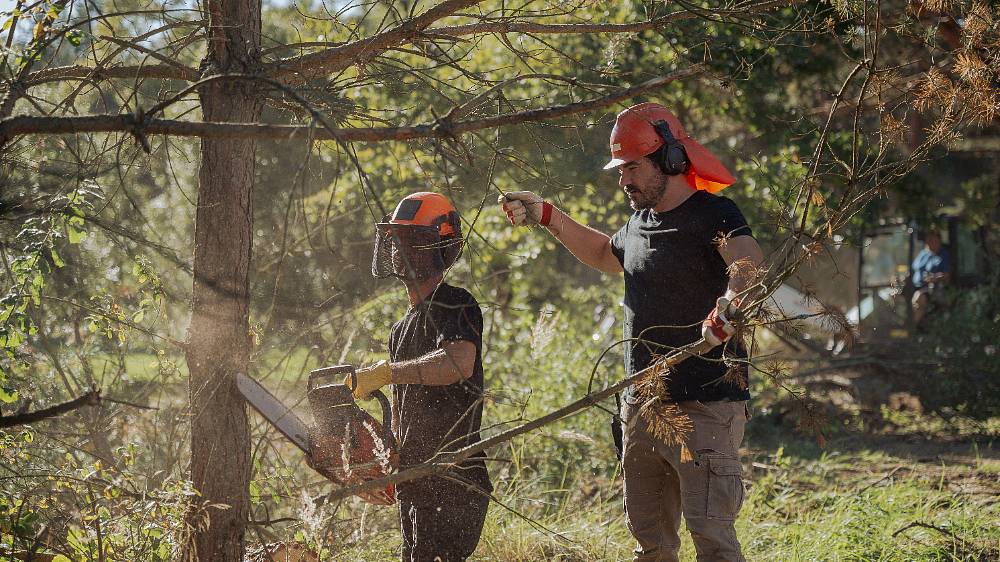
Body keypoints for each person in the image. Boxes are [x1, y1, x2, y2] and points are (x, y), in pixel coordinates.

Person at [499, 103, 764, 562]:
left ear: (671, 159)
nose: (623, 181)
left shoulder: (714, 213)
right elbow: (605, 253)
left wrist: (731, 302)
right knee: (651, 545)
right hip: (642, 405)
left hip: (705, 404)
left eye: (632, 167)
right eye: (621, 170)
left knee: (713, 541)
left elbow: (748, 262)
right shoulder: (639, 222)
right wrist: (548, 215)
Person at [347, 192, 492, 562]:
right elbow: (402, 412)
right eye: (397, 240)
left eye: (414, 241)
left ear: (442, 246)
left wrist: (386, 373)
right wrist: (384, 462)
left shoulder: (455, 302)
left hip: (453, 479)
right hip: (418, 480)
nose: (401, 250)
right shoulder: (399, 330)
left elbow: (458, 363)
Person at [910, 229, 950, 327]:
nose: (929, 242)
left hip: (930, 289)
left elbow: (947, 275)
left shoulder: (943, 255)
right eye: (928, 239)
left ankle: (911, 329)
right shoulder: (924, 253)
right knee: (892, 294)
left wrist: (934, 277)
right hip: (912, 286)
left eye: (932, 240)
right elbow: (914, 269)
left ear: (938, 240)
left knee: (919, 298)